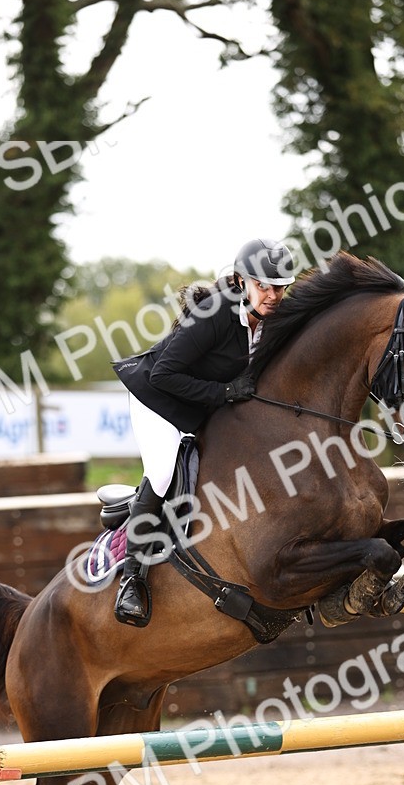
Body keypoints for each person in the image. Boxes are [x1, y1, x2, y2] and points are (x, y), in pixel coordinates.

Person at [111, 237, 295, 626]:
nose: (274, 295)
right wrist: (224, 392)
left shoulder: (273, 319)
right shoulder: (214, 315)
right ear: (242, 281)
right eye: (264, 286)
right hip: (155, 399)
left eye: (280, 287)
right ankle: (132, 580)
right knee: (163, 472)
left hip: (201, 402)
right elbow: (164, 375)